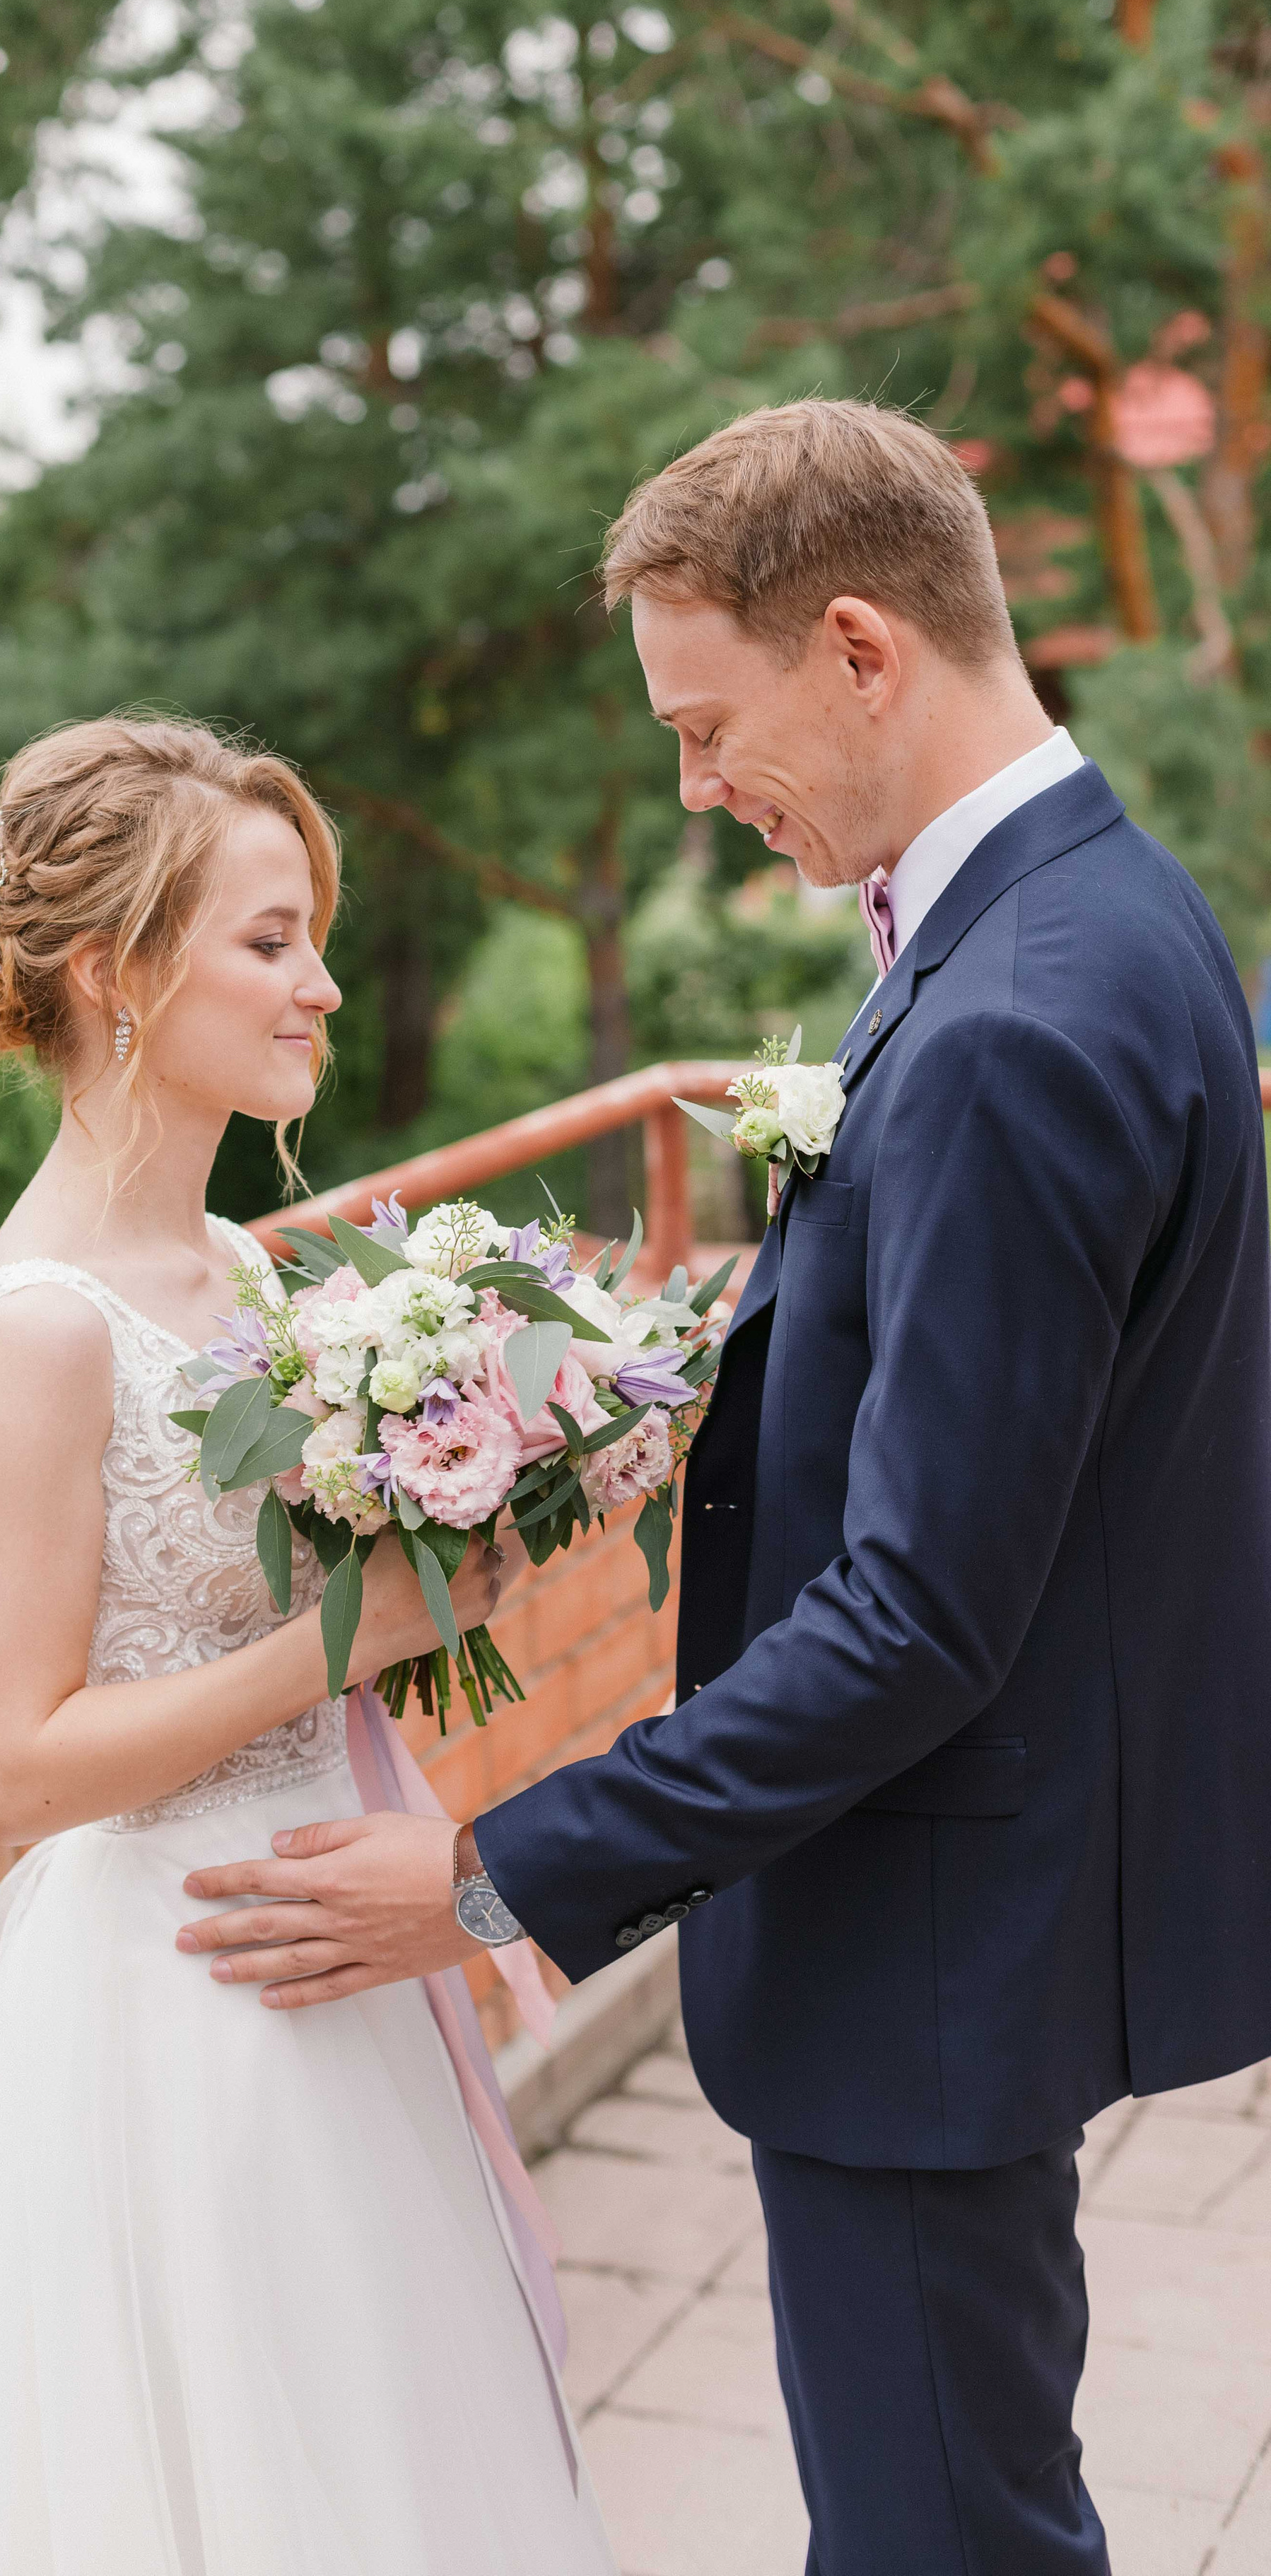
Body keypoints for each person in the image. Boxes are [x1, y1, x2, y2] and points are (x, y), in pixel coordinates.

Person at [179, 400, 1271, 2572]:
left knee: (943, 2542)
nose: (695, 788)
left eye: (706, 724)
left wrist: (498, 1876)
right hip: (998, 1913)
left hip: (928, 1955)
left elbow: (920, 1615)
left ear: (863, 648)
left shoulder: (1011, 1023)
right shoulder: (1091, 912)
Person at [0, 716, 616, 2575]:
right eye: (271, 942)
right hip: (176, 1999)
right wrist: (344, 1643)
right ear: (116, 972)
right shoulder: (40, 1329)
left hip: (344, 1948)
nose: (324, 986)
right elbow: (11, 1770)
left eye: (314, 941)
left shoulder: (263, 1275)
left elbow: (348, 1608)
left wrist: (477, 1537)